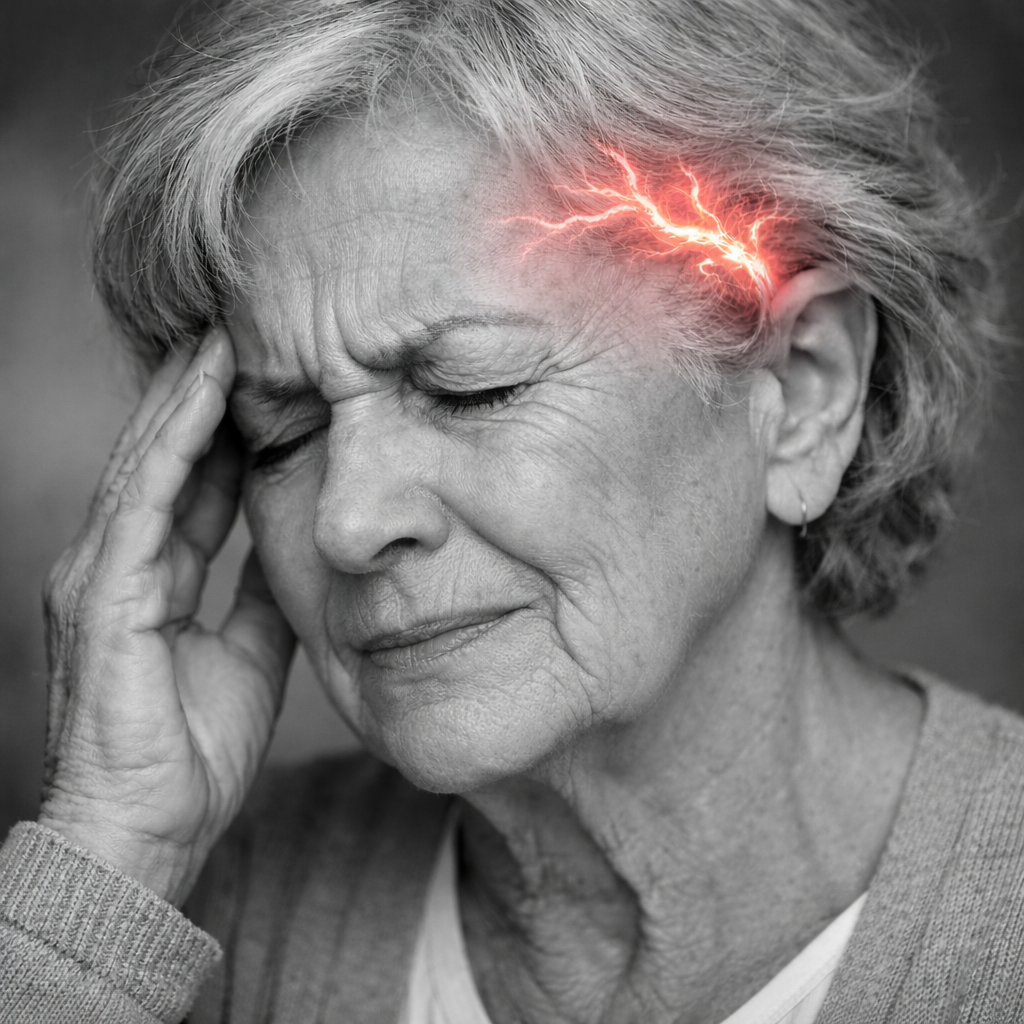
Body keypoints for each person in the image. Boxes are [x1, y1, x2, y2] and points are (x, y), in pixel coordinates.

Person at [1, 1, 1020, 1021]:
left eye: (471, 387)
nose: (346, 521)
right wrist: (110, 848)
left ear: (803, 389)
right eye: (282, 435)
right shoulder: (192, 921)